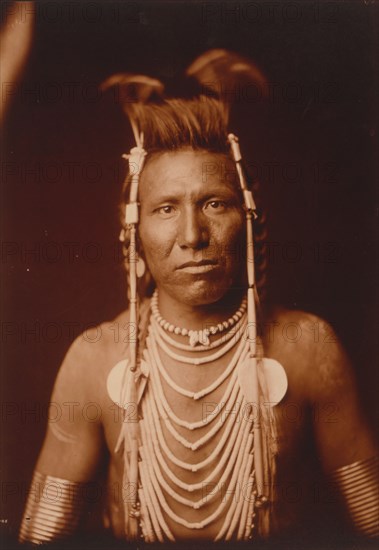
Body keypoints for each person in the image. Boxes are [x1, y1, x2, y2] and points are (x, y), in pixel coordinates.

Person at [18, 50, 378, 544]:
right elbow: (40, 535)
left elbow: (373, 519)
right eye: (165, 208)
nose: (192, 234)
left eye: (214, 203)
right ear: (134, 233)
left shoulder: (308, 348)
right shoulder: (93, 358)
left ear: (248, 222)